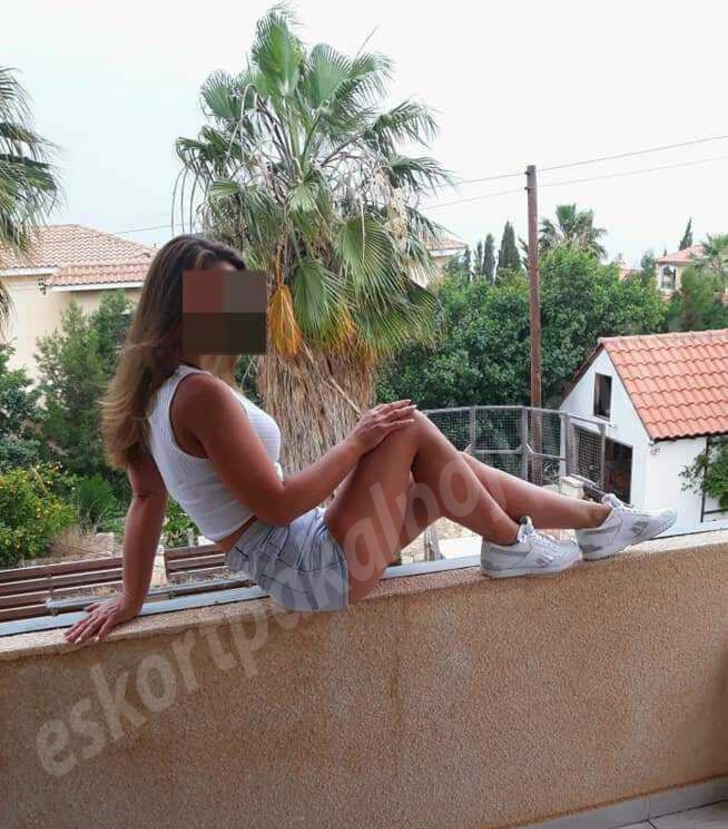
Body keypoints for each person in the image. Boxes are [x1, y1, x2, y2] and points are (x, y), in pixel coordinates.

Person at [66, 235, 676, 644]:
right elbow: (276, 504)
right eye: (219, 297)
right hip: (311, 568)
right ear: (180, 306)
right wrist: (357, 443)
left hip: (301, 561)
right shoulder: (200, 394)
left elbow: (146, 499)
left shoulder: (156, 392)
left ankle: (596, 522)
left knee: (448, 473)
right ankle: (512, 544)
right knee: (404, 426)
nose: (234, 310)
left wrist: (132, 597)